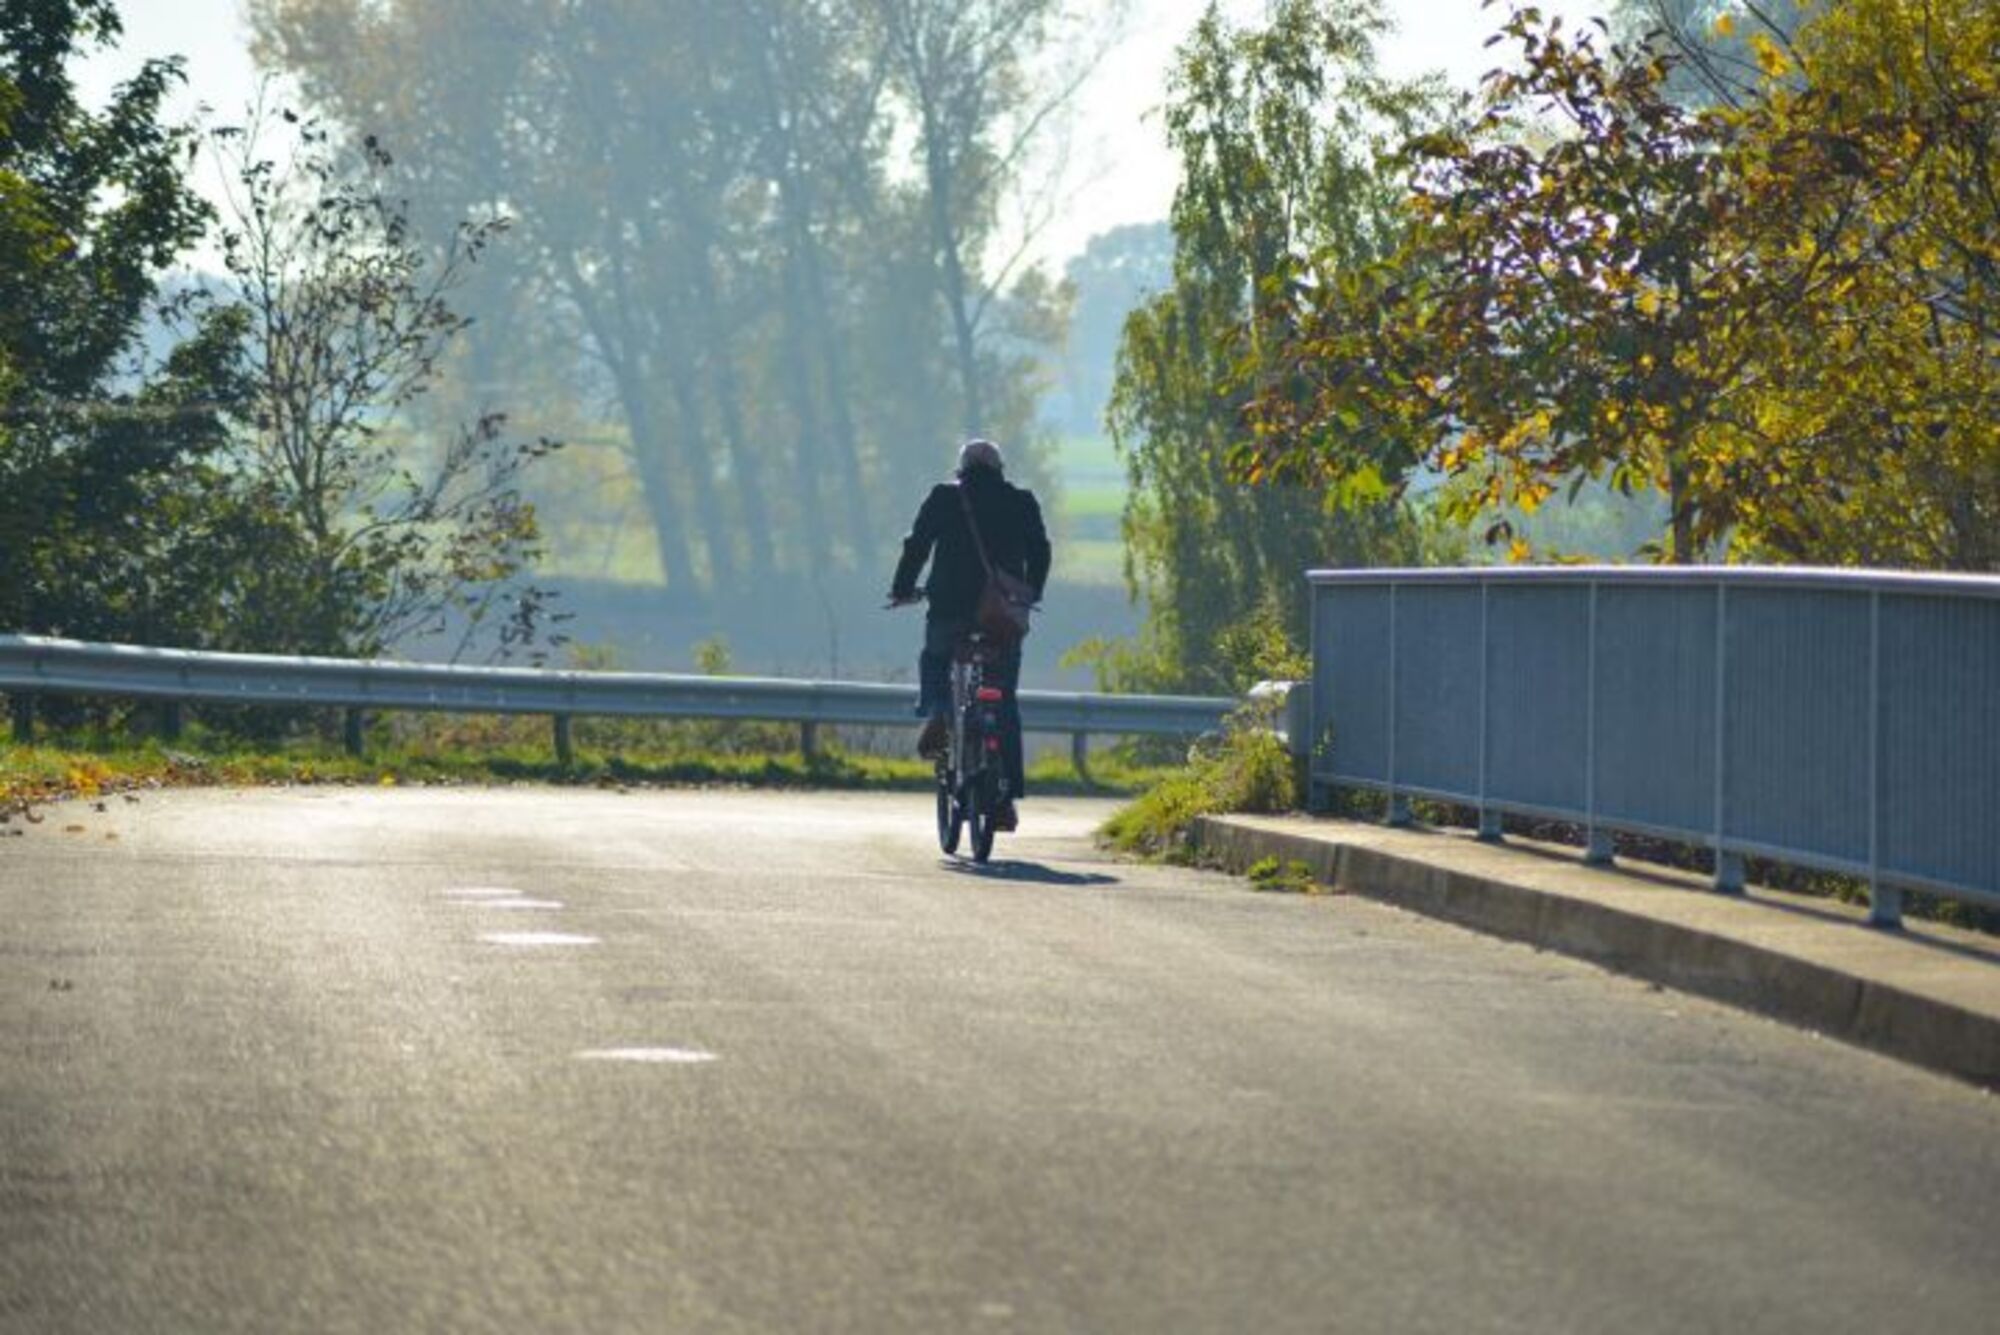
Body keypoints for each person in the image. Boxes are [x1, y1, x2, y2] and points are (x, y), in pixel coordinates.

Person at [887, 438, 1051, 831]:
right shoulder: (1021, 501)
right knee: (1003, 698)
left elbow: (917, 545)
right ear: (999, 470)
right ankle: (1005, 799)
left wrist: (902, 588)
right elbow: (1041, 551)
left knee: (935, 656)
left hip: (949, 609)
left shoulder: (945, 498)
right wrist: (1030, 592)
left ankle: (939, 710)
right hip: (1001, 617)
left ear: (961, 469)